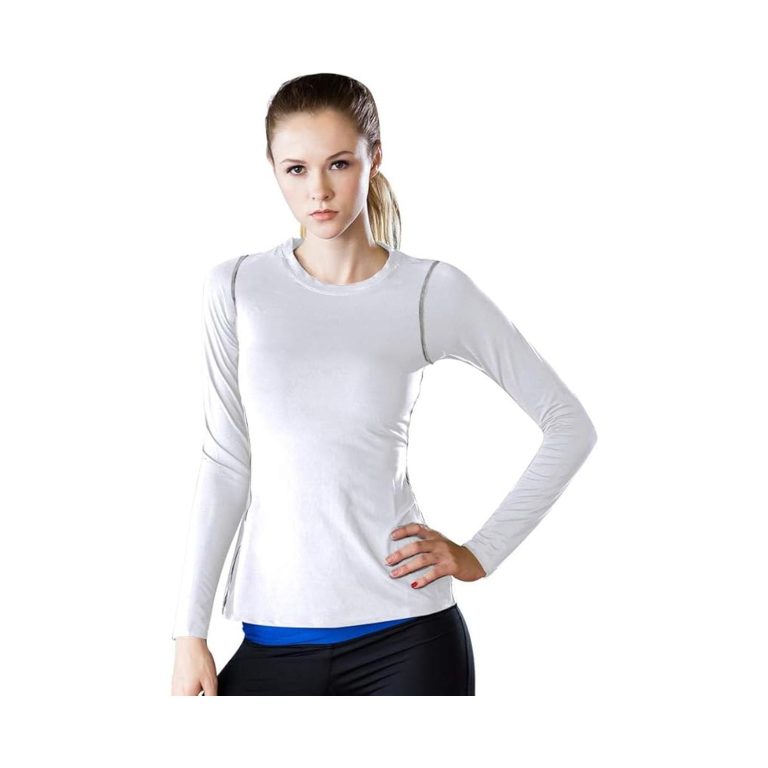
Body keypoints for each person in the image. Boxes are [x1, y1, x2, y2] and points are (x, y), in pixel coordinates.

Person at [170, 72, 598, 696]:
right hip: (272, 635)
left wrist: (481, 552)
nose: (318, 190)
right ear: (273, 169)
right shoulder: (236, 287)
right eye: (296, 169)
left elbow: (569, 425)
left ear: (374, 157)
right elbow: (226, 460)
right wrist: (190, 633)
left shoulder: (430, 291)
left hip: (409, 641)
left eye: (339, 164)